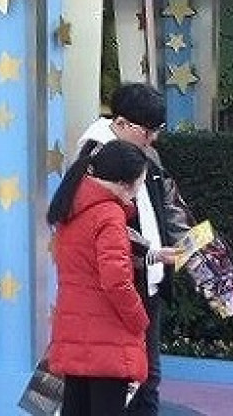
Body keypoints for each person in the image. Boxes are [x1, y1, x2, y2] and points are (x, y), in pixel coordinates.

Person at [74, 83, 193, 416]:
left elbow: (170, 205)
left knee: (146, 376)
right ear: (122, 123)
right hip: (116, 292)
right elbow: (103, 232)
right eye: (147, 131)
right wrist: (137, 311)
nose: (152, 139)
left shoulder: (146, 155)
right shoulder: (95, 158)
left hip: (145, 283)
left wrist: (195, 252)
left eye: (157, 130)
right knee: (119, 382)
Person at [45, 139, 152, 416]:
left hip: (74, 329)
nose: (138, 192)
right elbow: (116, 281)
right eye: (140, 184)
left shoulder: (72, 208)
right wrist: (139, 319)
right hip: (109, 336)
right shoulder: (109, 214)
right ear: (124, 183)